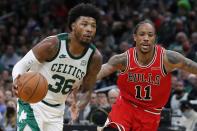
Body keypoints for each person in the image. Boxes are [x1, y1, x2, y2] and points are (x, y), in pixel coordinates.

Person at [12, 3, 102, 131]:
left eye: (93, 26)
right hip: (32, 102)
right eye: (84, 24)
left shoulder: (94, 58)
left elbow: (87, 90)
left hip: (57, 110)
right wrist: (17, 79)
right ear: (73, 26)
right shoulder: (52, 44)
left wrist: (78, 103)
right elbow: (21, 65)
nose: (89, 29)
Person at [97, 19, 197, 131]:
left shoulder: (167, 58)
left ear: (154, 38)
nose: (146, 38)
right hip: (126, 107)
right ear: (135, 37)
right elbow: (102, 70)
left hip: (150, 113)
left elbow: (190, 64)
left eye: (150, 35)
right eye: (142, 34)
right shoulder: (124, 59)